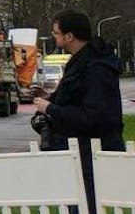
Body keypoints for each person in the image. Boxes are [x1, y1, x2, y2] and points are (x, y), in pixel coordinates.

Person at [31, 11, 126, 152]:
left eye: (56, 33)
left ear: (69, 36)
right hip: (82, 149)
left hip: (91, 153)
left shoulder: (95, 69)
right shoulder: (82, 62)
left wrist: (50, 108)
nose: (54, 36)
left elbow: (94, 117)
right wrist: (51, 98)